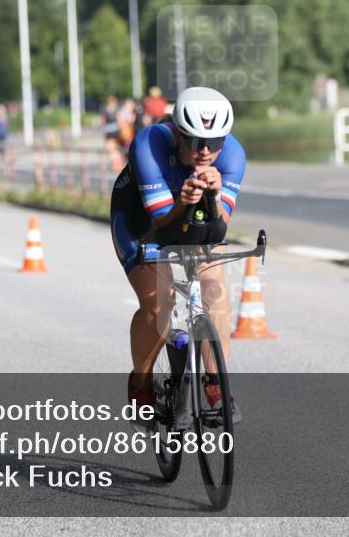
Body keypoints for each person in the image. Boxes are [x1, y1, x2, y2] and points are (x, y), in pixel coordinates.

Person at [109, 86, 244, 418]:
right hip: (141, 219)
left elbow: (218, 228)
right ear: (179, 134)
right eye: (196, 141)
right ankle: (141, 385)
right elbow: (161, 226)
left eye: (215, 142)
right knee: (160, 302)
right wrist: (183, 202)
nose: (205, 151)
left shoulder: (233, 156)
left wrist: (214, 195)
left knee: (214, 289)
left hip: (196, 216)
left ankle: (216, 384)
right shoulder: (149, 144)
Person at [102, 96, 122, 172]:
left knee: (111, 149)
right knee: (114, 149)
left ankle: (116, 164)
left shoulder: (105, 110)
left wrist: (103, 128)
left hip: (109, 131)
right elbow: (119, 120)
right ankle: (117, 164)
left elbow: (103, 121)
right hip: (116, 131)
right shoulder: (116, 110)